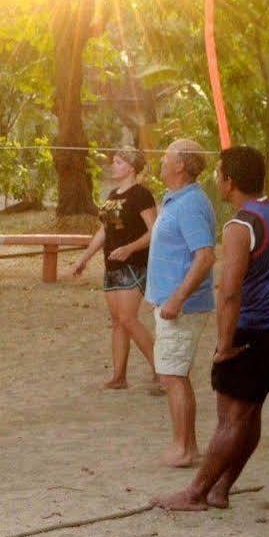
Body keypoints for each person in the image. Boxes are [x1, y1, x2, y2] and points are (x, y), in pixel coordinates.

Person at [156, 145, 269, 512]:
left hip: (252, 328)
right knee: (249, 413)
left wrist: (224, 345)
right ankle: (221, 488)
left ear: (229, 180)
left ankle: (196, 493)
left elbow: (231, 292)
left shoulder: (241, 225)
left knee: (231, 418)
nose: (216, 179)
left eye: (219, 173)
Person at [145, 139, 218, 468]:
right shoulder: (177, 200)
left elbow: (204, 256)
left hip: (182, 306)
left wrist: (176, 299)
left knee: (174, 376)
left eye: (166, 156)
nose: (160, 161)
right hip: (170, 303)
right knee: (173, 374)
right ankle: (185, 444)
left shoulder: (190, 204)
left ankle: (184, 448)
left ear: (180, 165)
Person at [69, 147, 159, 390]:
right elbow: (103, 231)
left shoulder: (141, 195)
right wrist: (84, 258)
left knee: (129, 319)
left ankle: (160, 370)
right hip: (112, 265)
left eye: (118, 162)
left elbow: (155, 231)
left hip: (133, 264)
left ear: (131, 167)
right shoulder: (111, 195)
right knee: (118, 321)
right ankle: (119, 376)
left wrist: (130, 248)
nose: (113, 166)